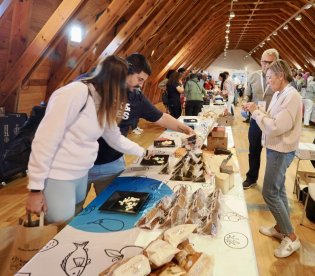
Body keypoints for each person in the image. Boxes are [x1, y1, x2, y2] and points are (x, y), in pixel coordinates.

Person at [26, 55, 147, 223]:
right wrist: (35, 189)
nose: (132, 90)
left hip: (82, 174)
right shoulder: (74, 93)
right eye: (127, 86)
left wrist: (144, 152)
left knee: (75, 222)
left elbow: (114, 138)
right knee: (60, 227)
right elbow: (45, 140)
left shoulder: (103, 99)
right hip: (59, 175)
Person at [88, 53, 194, 197]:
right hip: (81, 164)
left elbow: (161, 117)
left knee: (109, 206)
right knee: (70, 213)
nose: (140, 85)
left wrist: (186, 129)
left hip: (112, 163)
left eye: (143, 81)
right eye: (139, 79)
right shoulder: (93, 91)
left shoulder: (136, 97)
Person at [242, 59, 302, 258]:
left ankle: (291, 237)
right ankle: (280, 227)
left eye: (269, 78)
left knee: (269, 192)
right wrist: (257, 110)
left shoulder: (292, 97)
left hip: (281, 150)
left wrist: (257, 114)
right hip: (275, 148)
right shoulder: (279, 94)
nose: (267, 82)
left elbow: (276, 127)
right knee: (278, 189)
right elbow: (271, 116)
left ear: (280, 76)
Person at [242, 48, 279, 189]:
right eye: (264, 62)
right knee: (254, 150)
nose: (266, 65)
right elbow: (247, 95)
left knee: (273, 154)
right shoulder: (253, 76)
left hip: (273, 122)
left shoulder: (280, 79)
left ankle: (272, 185)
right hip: (256, 120)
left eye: (270, 62)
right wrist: (245, 103)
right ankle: (251, 178)